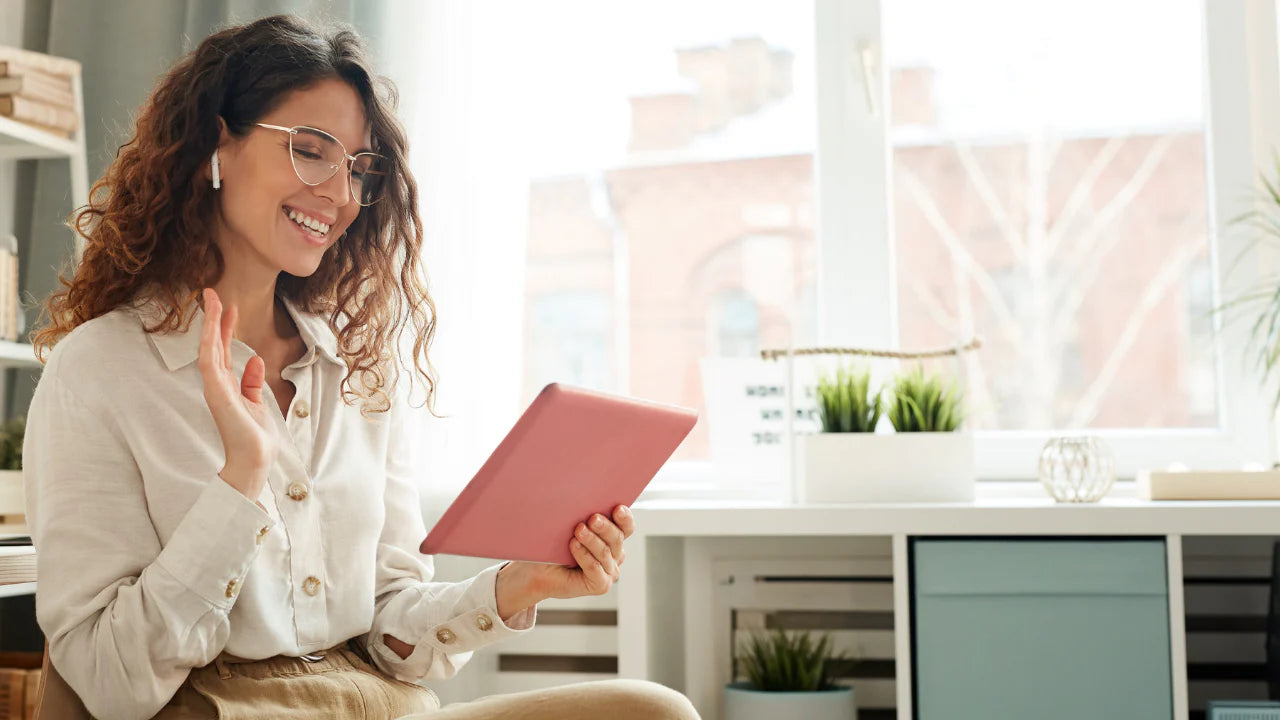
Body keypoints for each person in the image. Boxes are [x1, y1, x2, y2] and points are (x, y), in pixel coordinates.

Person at [22, 14, 700, 720]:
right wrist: (240, 483)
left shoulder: (354, 373)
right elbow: (107, 683)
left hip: (375, 703)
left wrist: (519, 585)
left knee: (653, 711)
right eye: (311, 151)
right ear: (213, 146)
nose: (341, 195)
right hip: (213, 708)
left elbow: (387, 627)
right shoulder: (98, 371)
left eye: (357, 168)